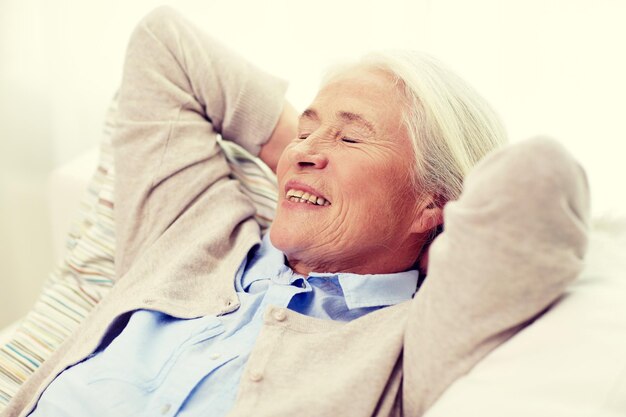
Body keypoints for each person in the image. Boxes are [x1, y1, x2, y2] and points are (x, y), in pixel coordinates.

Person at [3, 6, 590, 417]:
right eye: (307, 131)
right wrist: (308, 159)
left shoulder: (413, 338)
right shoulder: (193, 233)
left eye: (352, 139)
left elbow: (539, 177)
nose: (308, 151)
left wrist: (430, 229)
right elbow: (164, 43)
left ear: (433, 200)